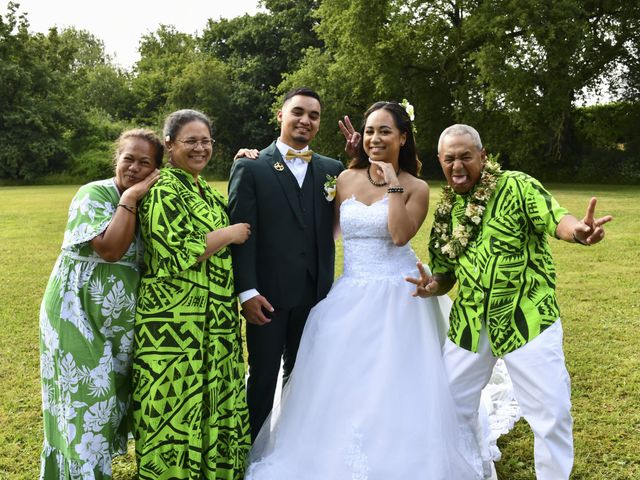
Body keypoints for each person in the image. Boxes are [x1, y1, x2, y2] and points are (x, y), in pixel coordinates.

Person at [244, 101, 485, 479]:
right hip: (350, 293)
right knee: (342, 381)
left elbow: (398, 234)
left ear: (403, 137)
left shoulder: (417, 187)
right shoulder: (342, 179)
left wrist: (392, 183)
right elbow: (314, 217)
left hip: (398, 296)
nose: (375, 138)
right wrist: (257, 157)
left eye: (385, 131)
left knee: (392, 382)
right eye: (370, 131)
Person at [407, 124, 613, 480]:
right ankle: (469, 471)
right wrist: (432, 286)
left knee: (550, 412)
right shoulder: (445, 213)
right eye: (449, 159)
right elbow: (445, 275)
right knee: (450, 407)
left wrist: (577, 232)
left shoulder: (517, 185)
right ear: (440, 162)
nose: (457, 166)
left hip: (526, 315)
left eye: (465, 157)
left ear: (483, 157)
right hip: (470, 323)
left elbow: (555, 217)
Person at [132, 109, 251, 479]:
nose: (200, 148)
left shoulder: (205, 192)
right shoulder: (164, 188)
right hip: (174, 326)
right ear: (169, 145)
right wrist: (230, 234)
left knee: (211, 407)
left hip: (214, 323)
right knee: (173, 412)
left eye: (206, 141)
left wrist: (242, 165)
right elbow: (180, 251)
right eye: (191, 141)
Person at [39, 129, 162, 478]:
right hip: (74, 312)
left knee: (107, 405)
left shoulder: (154, 202)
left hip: (119, 322)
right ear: (116, 160)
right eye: (129, 159)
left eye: (145, 163)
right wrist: (134, 196)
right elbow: (109, 250)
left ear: (156, 169)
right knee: (82, 405)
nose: (135, 168)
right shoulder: (92, 193)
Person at [228, 87, 344, 439]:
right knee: (262, 376)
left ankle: (296, 446)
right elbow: (242, 233)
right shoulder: (250, 167)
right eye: (298, 112)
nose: (305, 120)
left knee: (305, 375)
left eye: (314, 115)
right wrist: (247, 292)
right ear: (281, 115)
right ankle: (251, 452)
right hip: (267, 296)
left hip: (315, 294)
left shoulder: (332, 170)